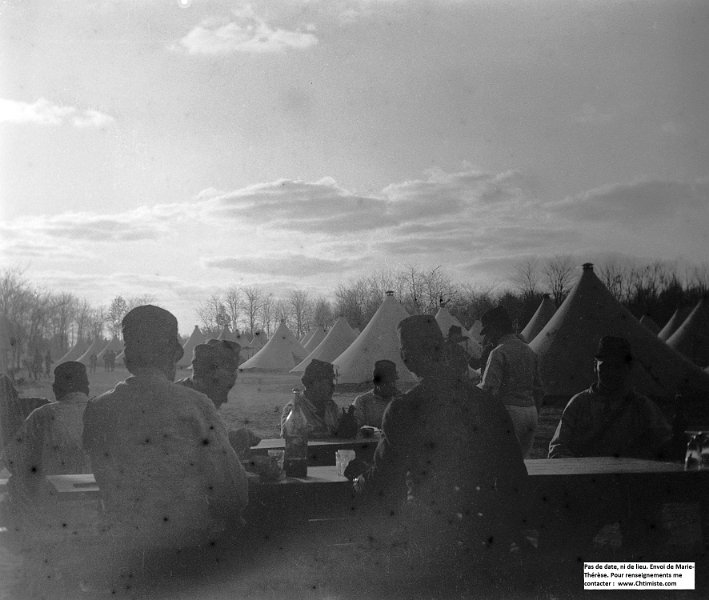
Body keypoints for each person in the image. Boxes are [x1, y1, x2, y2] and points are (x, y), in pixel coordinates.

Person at [349, 315, 528, 585]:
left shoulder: (403, 409)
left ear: (406, 357)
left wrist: (358, 481)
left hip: (428, 539)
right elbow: (514, 475)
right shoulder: (488, 404)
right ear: (443, 349)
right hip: (484, 534)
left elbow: (385, 483)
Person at [82, 305, 248, 559]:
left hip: (121, 554)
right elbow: (233, 495)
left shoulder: (97, 408)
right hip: (188, 554)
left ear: (127, 357)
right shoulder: (196, 405)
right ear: (175, 352)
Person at [548, 336, 672, 459]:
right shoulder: (578, 404)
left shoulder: (643, 407)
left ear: (628, 367)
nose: (611, 373)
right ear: (595, 366)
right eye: (605, 366)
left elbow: (664, 446)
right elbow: (557, 448)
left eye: (617, 366)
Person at [478, 306, 544, 457]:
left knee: (502, 464)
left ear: (496, 328)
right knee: (521, 465)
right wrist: (534, 412)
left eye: (489, 331)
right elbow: (539, 389)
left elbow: (489, 390)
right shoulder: (529, 351)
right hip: (531, 413)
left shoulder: (498, 352)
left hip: (509, 413)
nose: (488, 337)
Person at [177, 338, 260, 458]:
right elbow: (189, 452)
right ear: (210, 376)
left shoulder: (198, 395)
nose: (225, 399)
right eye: (223, 388)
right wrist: (233, 440)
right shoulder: (181, 400)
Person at [280, 359, 342, 439]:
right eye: (329, 382)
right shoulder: (294, 408)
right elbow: (289, 436)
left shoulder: (331, 406)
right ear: (315, 383)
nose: (333, 387)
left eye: (333, 382)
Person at [350, 359, 400, 429]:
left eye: (393, 382)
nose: (391, 386)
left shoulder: (401, 400)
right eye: (386, 383)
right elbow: (355, 426)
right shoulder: (362, 402)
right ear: (376, 382)